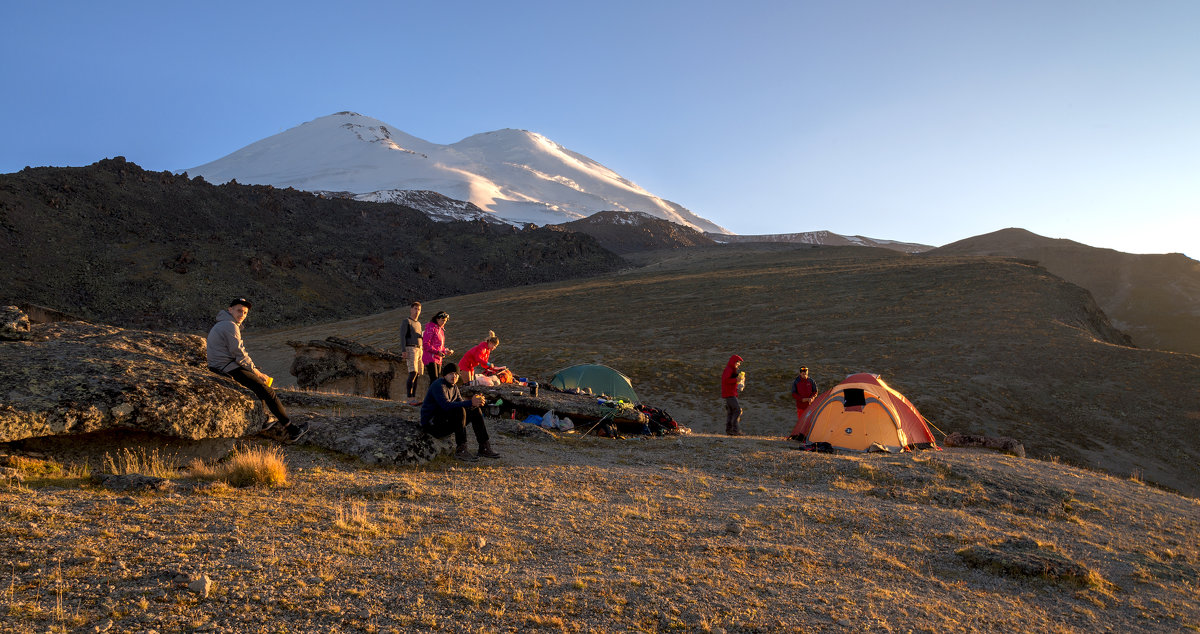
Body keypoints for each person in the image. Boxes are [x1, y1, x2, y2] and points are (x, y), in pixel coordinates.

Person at [206, 297, 308, 443]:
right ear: (230, 310)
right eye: (239, 310)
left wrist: (253, 370)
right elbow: (239, 354)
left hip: (221, 366)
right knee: (268, 391)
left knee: (257, 387)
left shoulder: (224, 324)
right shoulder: (230, 325)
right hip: (226, 368)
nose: (242, 314)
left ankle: (264, 419)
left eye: (245, 312)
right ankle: (293, 430)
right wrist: (257, 372)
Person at [420, 363, 501, 460]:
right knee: (460, 409)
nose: (454, 376)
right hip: (432, 425)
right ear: (444, 375)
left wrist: (476, 403)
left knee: (475, 410)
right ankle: (461, 450)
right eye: (450, 373)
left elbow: (461, 403)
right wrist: (470, 402)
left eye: (456, 374)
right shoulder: (438, 385)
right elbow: (446, 405)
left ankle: (484, 446)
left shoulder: (454, 387)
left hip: (443, 420)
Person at [421, 310, 454, 386]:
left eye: (445, 321)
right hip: (430, 357)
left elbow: (440, 347)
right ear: (437, 319)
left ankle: (432, 397)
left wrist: (446, 351)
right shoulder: (430, 328)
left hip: (438, 358)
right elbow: (425, 344)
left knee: (437, 379)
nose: (444, 322)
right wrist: (437, 352)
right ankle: (431, 397)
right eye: (443, 320)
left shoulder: (441, 331)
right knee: (434, 379)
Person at [400, 301, 424, 398]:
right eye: (415, 309)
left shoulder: (418, 323)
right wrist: (403, 350)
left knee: (417, 374)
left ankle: (414, 397)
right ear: (411, 309)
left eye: (419, 309)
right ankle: (409, 397)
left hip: (420, 349)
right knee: (412, 372)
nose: (417, 311)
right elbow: (402, 336)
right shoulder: (407, 321)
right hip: (410, 348)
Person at [720, 354, 744, 436]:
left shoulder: (731, 370)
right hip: (729, 394)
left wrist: (739, 383)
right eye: (738, 362)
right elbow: (726, 381)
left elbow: (729, 381)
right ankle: (735, 430)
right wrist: (736, 380)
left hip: (729, 393)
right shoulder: (729, 369)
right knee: (737, 410)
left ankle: (729, 430)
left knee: (731, 412)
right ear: (735, 362)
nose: (739, 364)